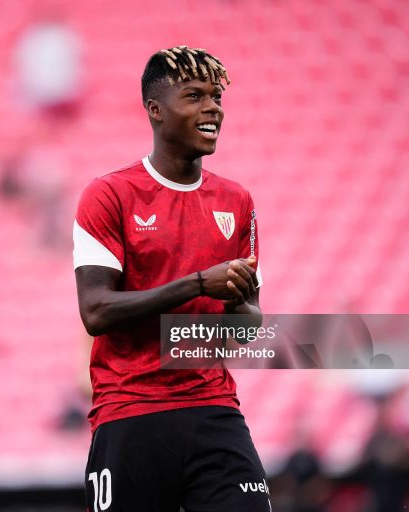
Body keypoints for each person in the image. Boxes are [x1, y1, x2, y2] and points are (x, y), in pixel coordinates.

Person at [73, 46, 268, 511]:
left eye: (217, 96)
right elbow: (96, 311)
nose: (212, 108)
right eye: (195, 96)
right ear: (155, 110)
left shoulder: (236, 200)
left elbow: (244, 333)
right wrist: (198, 284)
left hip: (213, 408)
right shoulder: (109, 195)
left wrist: (242, 301)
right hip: (131, 412)